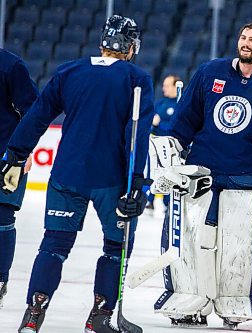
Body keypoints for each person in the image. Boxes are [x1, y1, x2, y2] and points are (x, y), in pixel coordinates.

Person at [0, 15, 154, 333]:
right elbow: (136, 136)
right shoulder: (137, 79)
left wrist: (15, 156)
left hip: (66, 175)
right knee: (116, 248)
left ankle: (32, 318)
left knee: (53, 245)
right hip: (111, 180)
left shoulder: (69, 71)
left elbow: (37, 117)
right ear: (131, 47)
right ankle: (98, 318)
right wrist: (138, 182)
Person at [153, 22, 252, 329]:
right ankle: (186, 300)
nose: (246, 43)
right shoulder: (210, 72)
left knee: (238, 248)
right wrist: (171, 152)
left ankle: (235, 305)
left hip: (245, 178)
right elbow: (186, 118)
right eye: (243, 38)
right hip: (200, 173)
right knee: (189, 241)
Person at [0, 48, 39, 309]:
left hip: (6, 158)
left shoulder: (10, 65)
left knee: (2, 219)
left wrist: (23, 152)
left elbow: (34, 111)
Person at [145, 74, 181, 213]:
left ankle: (168, 203)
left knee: (170, 174)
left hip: (172, 145)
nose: (164, 88)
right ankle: (150, 200)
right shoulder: (159, 103)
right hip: (155, 143)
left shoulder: (180, 104)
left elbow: (175, 126)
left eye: (167, 85)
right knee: (153, 172)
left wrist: (160, 124)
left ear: (175, 86)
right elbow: (150, 122)